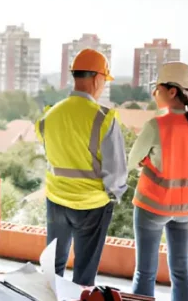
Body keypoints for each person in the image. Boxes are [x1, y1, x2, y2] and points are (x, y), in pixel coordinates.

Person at [127, 61, 188, 301]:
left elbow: (131, 160)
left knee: (145, 273)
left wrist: (146, 163)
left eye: (156, 88)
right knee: (181, 270)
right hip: (187, 209)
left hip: (153, 205)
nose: (153, 93)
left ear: (171, 92)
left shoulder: (155, 125)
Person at [35, 48, 128, 286]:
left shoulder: (49, 116)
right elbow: (116, 171)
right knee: (84, 273)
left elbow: (49, 154)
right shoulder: (103, 118)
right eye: (104, 81)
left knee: (52, 267)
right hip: (92, 205)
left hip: (56, 200)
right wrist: (112, 196)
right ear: (97, 78)